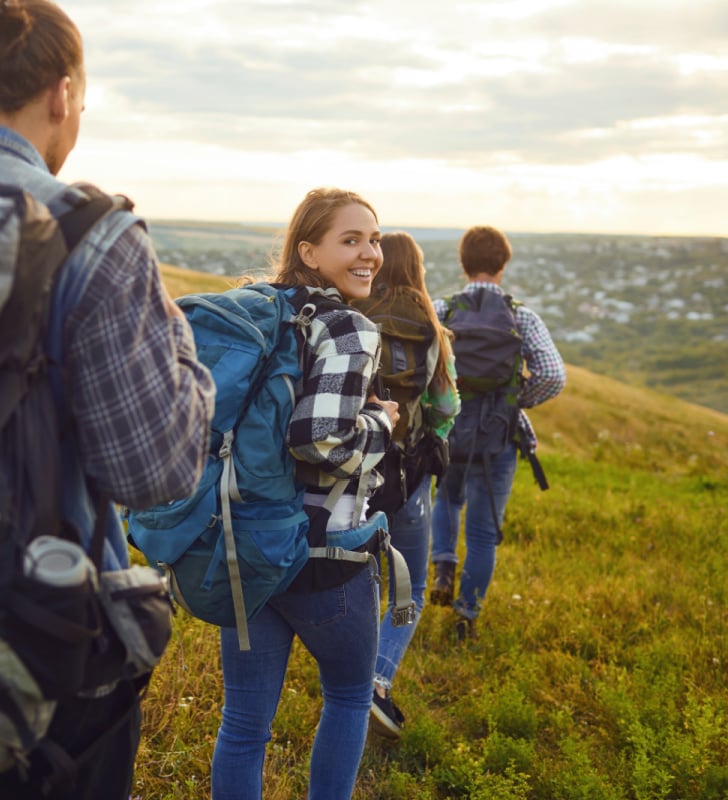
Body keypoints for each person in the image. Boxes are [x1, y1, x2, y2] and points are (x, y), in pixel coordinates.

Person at [0, 2, 216, 798]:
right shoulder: (91, 232)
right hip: (37, 643)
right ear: (61, 95)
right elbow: (154, 469)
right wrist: (188, 363)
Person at [210, 188, 400, 800]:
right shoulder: (348, 327)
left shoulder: (256, 308)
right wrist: (383, 426)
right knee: (347, 696)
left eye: (374, 239)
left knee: (242, 726)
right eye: (352, 240)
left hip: (245, 545)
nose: (370, 253)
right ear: (309, 251)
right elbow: (317, 440)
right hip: (325, 555)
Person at [429, 225, 566, 638]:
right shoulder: (521, 315)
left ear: (463, 263)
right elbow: (553, 376)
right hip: (499, 438)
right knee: (485, 535)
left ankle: (443, 566)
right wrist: (512, 401)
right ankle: (466, 617)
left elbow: (422, 365)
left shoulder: (442, 309)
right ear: (503, 264)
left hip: (449, 429)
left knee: (447, 500)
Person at [353, 232, 460, 739]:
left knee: (356, 577)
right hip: (408, 472)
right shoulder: (432, 330)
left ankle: (347, 677)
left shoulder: (350, 316)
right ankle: (374, 680)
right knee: (410, 585)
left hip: (348, 470)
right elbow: (447, 408)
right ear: (416, 269)